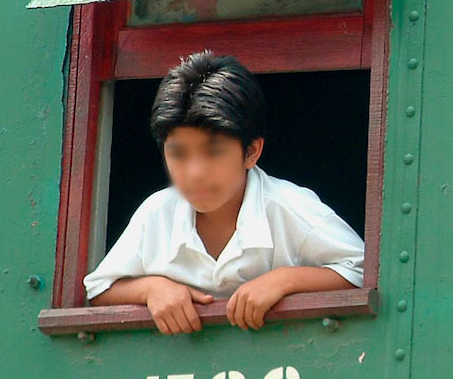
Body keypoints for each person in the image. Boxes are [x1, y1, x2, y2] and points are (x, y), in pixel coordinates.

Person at [84, 49, 365, 333]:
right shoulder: (156, 213)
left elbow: (362, 271)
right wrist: (152, 288)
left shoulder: (289, 206)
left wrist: (285, 280)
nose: (195, 172)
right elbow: (99, 288)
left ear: (251, 152)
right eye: (179, 153)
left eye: (214, 151)